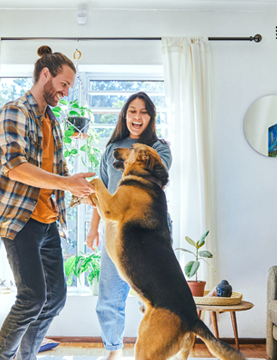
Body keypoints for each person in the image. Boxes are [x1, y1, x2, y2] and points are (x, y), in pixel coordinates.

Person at [0, 45, 95, 360]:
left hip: (47, 223)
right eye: (63, 84)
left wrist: (80, 189)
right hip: (19, 220)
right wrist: (64, 182)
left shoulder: (53, 121)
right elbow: (16, 167)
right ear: (45, 75)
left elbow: (56, 173)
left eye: (69, 87)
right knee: (31, 297)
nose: (65, 92)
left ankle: (26, 356)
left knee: (56, 298)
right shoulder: (14, 111)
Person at [85, 92, 172, 360]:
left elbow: (156, 177)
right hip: (115, 231)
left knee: (152, 296)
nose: (137, 116)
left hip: (148, 231)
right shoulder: (112, 149)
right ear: (125, 115)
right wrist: (93, 228)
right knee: (109, 295)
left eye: (143, 111)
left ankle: (152, 350)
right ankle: (113, 350)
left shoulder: (160, 148)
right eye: (132, 111)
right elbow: (101, 191)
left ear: (151, 117)